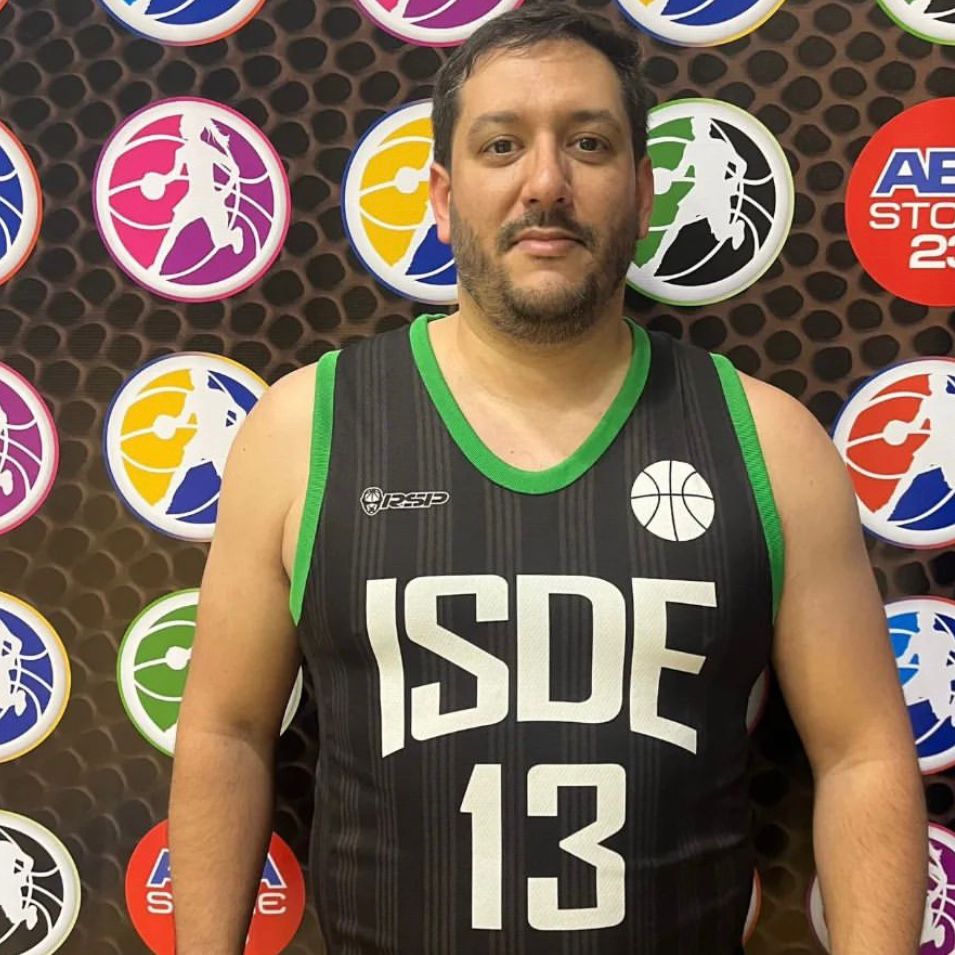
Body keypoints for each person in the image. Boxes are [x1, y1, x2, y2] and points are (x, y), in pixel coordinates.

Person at [168, 4, 927, 953]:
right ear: (441, 196)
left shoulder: (767, 442)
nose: (545, 183)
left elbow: (861, 755)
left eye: (588, 144)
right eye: (501, 146)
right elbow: (227, 732)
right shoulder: (304, 430)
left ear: (643, 192)